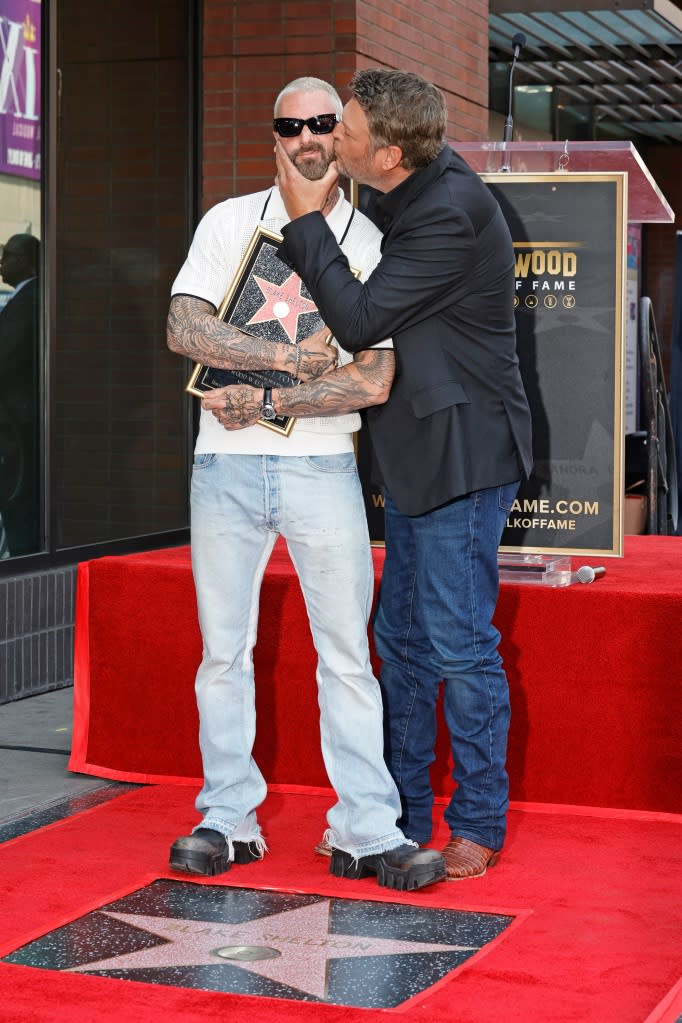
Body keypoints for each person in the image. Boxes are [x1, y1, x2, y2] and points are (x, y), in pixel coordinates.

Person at [166, 76, 445, 892]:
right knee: (222, 652)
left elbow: (376, 376)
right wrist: (291, 356)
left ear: (344, 135)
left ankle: (365, 827)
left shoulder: (370, 238)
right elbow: (183, 327)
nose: (310, 136)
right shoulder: (228, 221)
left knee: (347, 656)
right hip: (223, 463)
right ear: (275, 134)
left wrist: (266, 396)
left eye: (325, 122)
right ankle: (227, 817)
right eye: (293, 124)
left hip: (322, 466)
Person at [271, 69, 533, 879]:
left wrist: (307, 219)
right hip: (423, 451)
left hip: (464, 454)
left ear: (386, 152)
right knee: (404, 641)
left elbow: (358, 318)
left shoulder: (448, 213)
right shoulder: (414, 183)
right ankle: (400, 816)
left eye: (341, 131)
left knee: (456, 642)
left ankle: (478, 822)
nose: (327, 140)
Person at [0, 233, 40, 558]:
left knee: (18, 496)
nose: (2, 262)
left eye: (10, 255)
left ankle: (23, 561)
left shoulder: (31, 299)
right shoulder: (21, 298)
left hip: (17, 422)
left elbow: (7, 357)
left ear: (29, 262)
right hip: (15, 419)